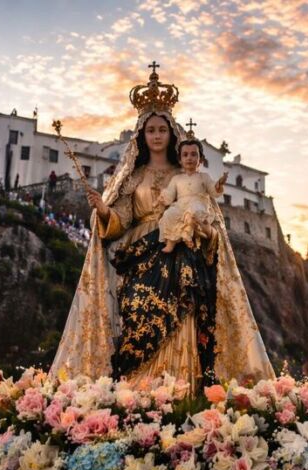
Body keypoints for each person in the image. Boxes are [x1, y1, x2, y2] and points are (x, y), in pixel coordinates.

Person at [51, 69, 273, 390]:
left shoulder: (185, 174)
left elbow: (208, 218)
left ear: (172, 133)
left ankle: (182, 388)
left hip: (180, 251)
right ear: (142, 135)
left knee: (184, 315)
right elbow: (122, 216)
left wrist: (202, 230)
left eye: (162, 130)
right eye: (151, 130)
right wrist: (103, 210)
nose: (156, 136)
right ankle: (140, 389)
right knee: (139, 312)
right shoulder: (133, 176)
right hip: (140, 256)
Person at [157, 138, 226, 254]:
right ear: (180, 160)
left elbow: (213, 191)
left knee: (194, 212)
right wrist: (163, 196)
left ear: (201, 160)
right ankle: (170, 243)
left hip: (198, 204)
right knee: (169, 214)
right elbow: (170, 193)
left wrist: (219, 184)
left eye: (194, 154)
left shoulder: (204, 176)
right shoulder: (176, 179)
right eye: (185, 155)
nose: (189, 158)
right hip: (180, 206)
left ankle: (189, 232)